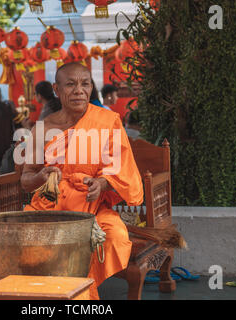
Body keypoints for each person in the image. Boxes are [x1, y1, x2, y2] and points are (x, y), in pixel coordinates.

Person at [20, 62, 144, 300]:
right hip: (50, 210)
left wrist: (103, 183)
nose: (78, 90)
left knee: (115, 236)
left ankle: (76, 291)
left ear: (90, 88)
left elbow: (121, 169)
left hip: (93, 211)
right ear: (57, 90)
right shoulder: (43, 128)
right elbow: (26, 180)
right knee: (31, 245)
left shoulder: (107, 121)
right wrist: (39, 177)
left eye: (85, 84)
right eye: (70, 84)